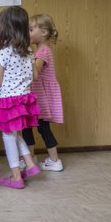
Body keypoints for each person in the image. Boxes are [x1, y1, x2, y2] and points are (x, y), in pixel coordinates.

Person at [0, 6, 41, 189]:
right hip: (25, 98)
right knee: (15, 133)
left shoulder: (3, 53)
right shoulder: (28, 51)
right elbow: (34, 76)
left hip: (8, 100)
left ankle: (16, 176)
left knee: (8, 136)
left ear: (5, 28)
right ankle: (30, 164)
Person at [22, 13, 64, 171]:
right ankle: (32, 158)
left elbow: (34, 73)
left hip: (40, 97)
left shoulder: (43, 51)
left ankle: (53, 160)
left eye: (31, 29)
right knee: (31, 126)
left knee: (40, 127)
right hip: (37, 95)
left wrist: (24, 54)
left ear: (44, 32)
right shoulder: (40, 50)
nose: (28, 33)